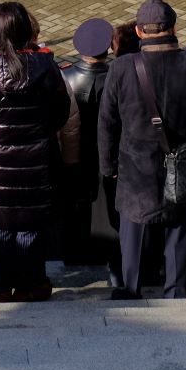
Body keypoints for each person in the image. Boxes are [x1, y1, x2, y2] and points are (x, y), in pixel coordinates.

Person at [99, 0, 186, 299]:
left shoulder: (122, 68)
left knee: (134, 234)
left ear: (139, 31)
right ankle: (176, 293)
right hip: (184, 167)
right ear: (174, 29)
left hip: (135, 169)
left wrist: (108, 166)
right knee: (179, 231)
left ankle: (131, 290)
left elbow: (107, 123)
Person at [0, 0, 77, 301]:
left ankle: (1, 286)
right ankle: (32, 284)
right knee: (30, 226)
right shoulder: (46, 67)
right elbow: (61, 111)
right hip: (35, 163)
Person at [60, 17, 118, 274]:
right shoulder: (117, 76)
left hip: (74, 153)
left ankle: (75, 254)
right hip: (108, 153)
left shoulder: (64, 76)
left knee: (75, 209)